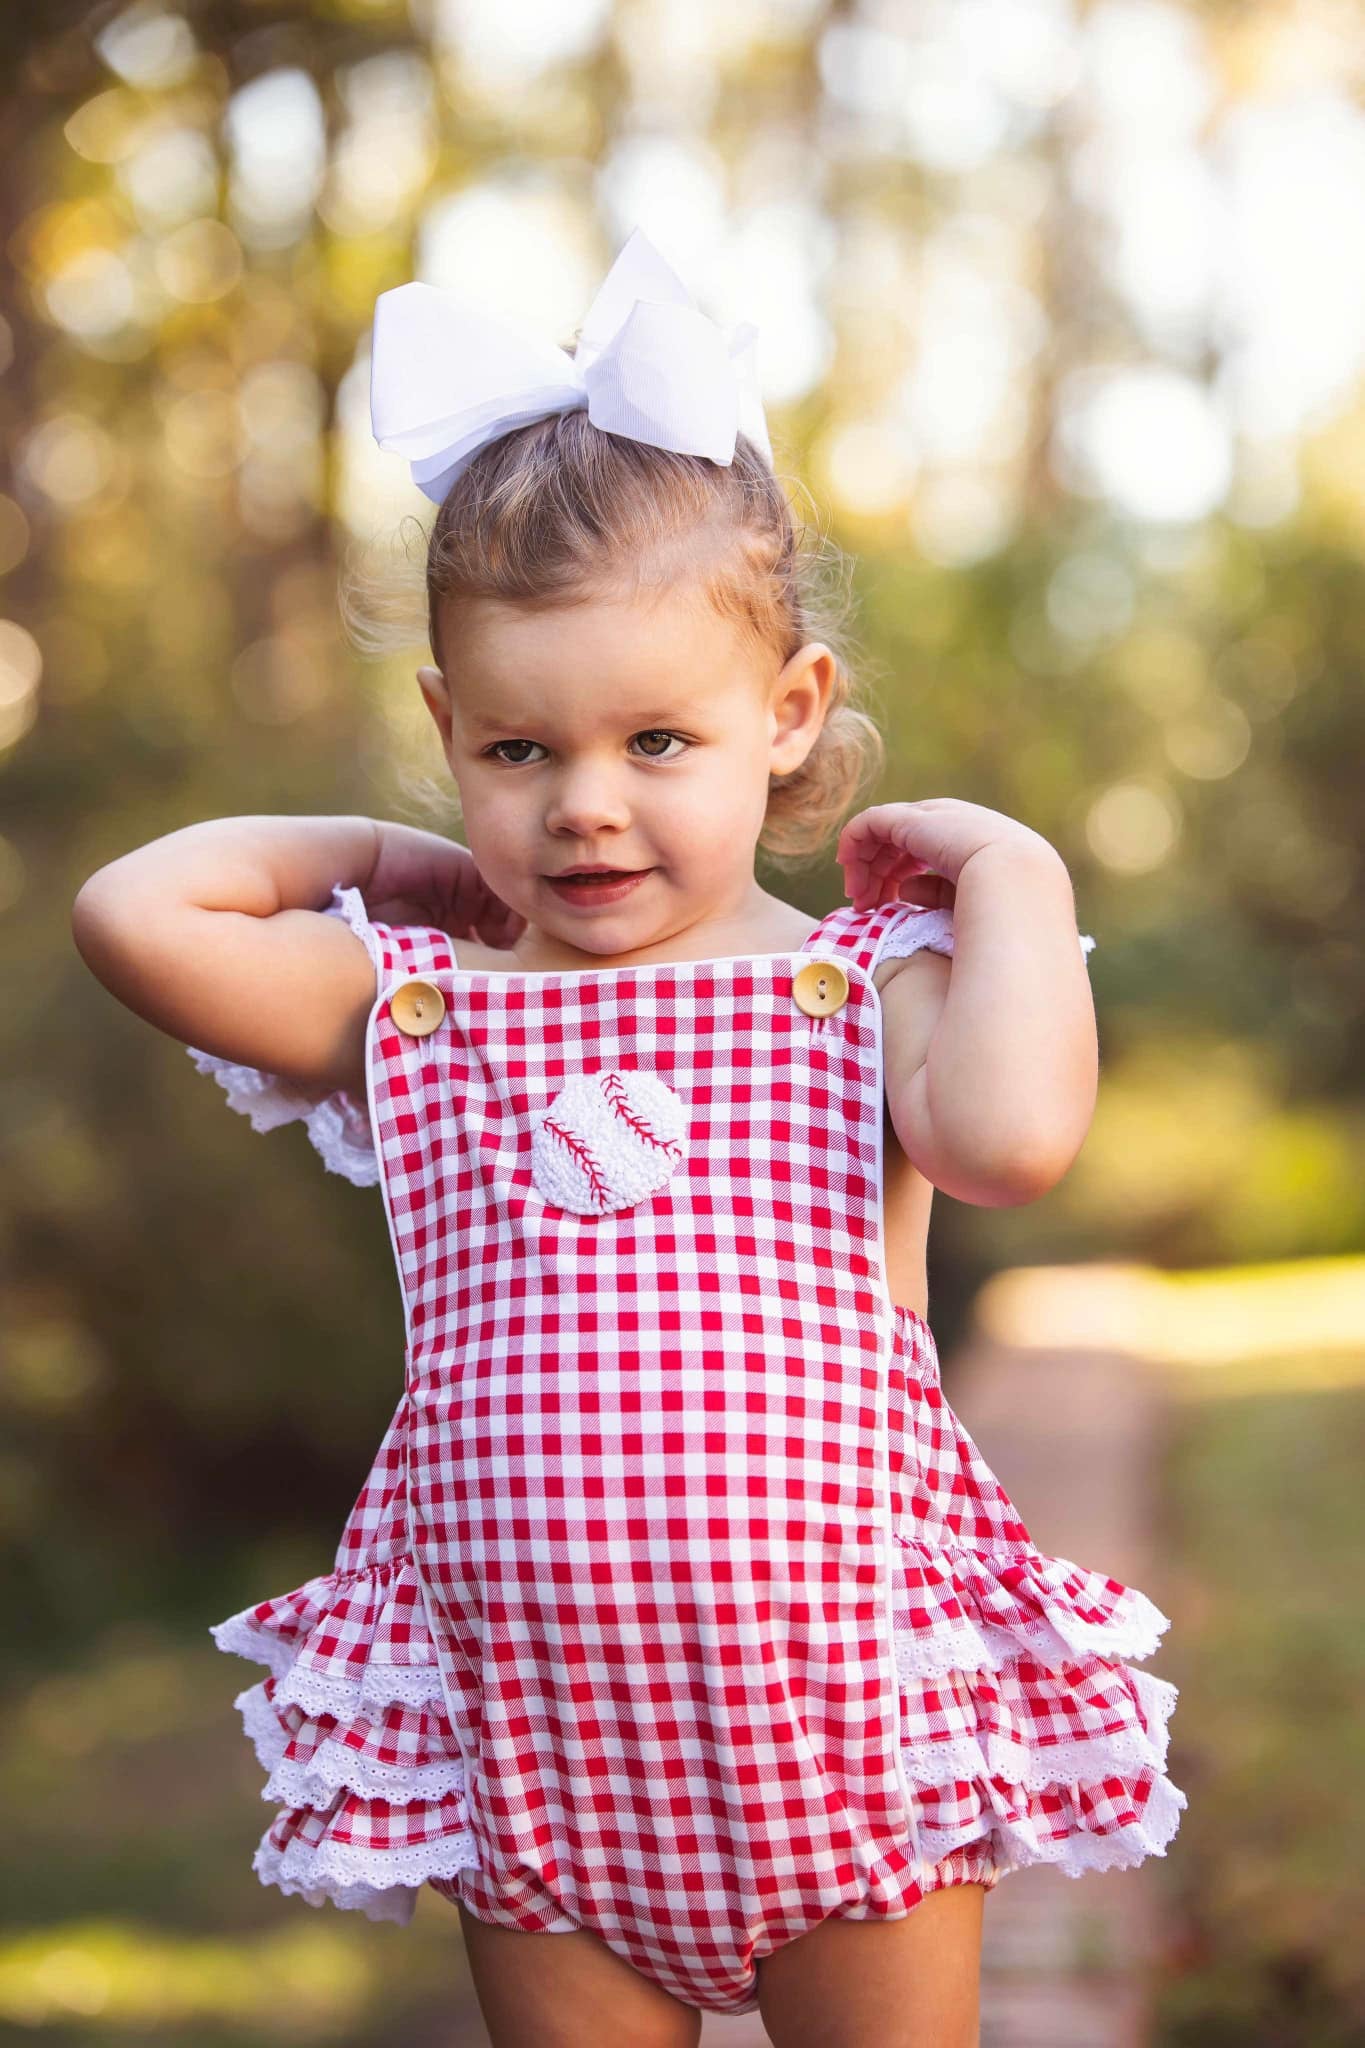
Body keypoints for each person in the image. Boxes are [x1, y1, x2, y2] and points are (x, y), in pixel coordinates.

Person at [70, 228, 1185, 2048]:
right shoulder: (426, 1009)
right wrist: (380, 866)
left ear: (787, 718)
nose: (586, 804)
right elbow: (135, 916)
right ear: (448, 731)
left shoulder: (857, 987)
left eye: (656, 739)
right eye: (518, 753)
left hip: (842, 1737)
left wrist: (1013, 867)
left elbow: (1009, 1142)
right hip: (540, 1763)